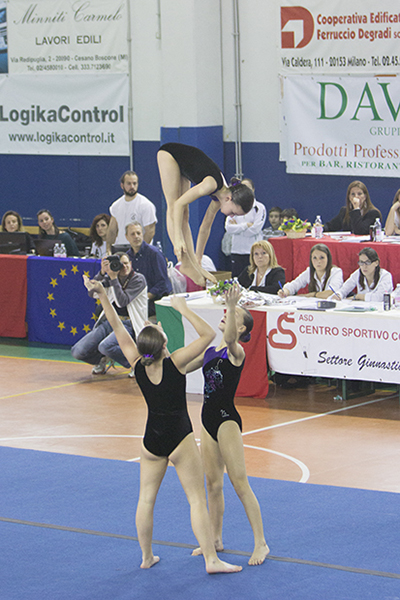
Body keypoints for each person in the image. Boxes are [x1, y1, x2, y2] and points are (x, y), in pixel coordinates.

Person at [83, 278, 242, 575]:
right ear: (163, 343)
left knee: (146, 498)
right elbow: (208, 334)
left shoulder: (138, 364)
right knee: (196, 498)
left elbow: (118, 327)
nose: (159, 326)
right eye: (158, 329)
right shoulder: (176, 362)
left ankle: (146, 556)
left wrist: (103, 295)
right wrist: (182, 309)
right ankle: (211, 560)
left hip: (151, 439)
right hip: (179, 436)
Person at [187, 284, 269, 565]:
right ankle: (216, 538)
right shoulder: (210, 352)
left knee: (240, 483)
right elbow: (183, 367)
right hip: (207, 419)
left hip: (226, 421)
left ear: (243, 330)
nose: (226, 315)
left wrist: (234, 306)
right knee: (212, 484)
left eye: (233, 317)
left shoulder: (237, 353)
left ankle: (261, 543)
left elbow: (232, 339)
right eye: (227, 312)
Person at [157, 142, 254, 285]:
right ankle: (185, 263)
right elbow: (177, 205)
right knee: (173, 205)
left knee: (185, 215)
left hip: (184, 163)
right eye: (233, 212)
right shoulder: (211, 185)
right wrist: (178, 240)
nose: (231, 216)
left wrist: (199, 259)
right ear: (228, 198)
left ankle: (192, 264)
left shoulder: (219, 199)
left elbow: (205, 228)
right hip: (170, 154)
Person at [71, 253, 148, 374]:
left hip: (129, 324)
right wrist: (102, 273)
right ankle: (102, 360)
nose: (123, 267)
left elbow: (122, 301)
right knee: (77, 351)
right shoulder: (110, 278)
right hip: (110, 322)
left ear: (131, 264)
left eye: (126, 263)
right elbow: (93, 293)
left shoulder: (138, 279)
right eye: (119, 264)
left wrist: (113, 279)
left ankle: (137, 363)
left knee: (105, 346)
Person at [125, 221, 172, 317]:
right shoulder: (127, 257)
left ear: (142, 234)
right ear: (126, 237)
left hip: (155, 300)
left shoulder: (154, 254)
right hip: (136, 299)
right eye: (132, 234)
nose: (136, 236)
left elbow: (162, 283)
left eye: (138, 233)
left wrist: (145, 297)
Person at [225, 178, 267, 277]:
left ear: (253, 190)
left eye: (247, 188)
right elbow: (228, 228)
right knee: (237, 281)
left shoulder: (259, 208)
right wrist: (246, 225)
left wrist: (237, 228)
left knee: (253, 280)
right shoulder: (232, 206)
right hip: (237, 251)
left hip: (252, 252)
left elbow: (255, 230)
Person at [106, 171, 157, 251]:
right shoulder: (116, 206)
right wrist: (108, 249)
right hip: (121, 249)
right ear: (122, 185)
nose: (132, 186)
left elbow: (150, 232)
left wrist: (139, 251)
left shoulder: (146, 205)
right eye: (129, 184)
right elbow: (112, 231)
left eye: (134, 183)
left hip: (140, 251)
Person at [278, 244, 343, 299]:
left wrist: (311, 295)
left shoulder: (336, 272)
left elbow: (331, 293)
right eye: (315, 258)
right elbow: (294, 285)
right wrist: (285, 291)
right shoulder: (309, 271)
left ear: (328, 259)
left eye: (322, 258)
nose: (318, 261)